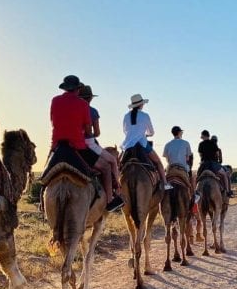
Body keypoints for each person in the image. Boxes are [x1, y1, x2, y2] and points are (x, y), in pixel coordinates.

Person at [50, 75, 124, 212]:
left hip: (58, 146)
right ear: (77, 89)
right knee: (107, 168)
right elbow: (90, 132)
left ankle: (43, 203)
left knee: (46, 176)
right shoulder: (83, 105)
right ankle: (110, 201)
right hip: (78, 147)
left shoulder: (54, 100)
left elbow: (53, 122)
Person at [78, 85, 123, 208]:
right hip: (89, 143)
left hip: (70, 142)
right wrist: (90, 133)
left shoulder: (72, 109)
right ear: (90, 98)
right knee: (112, 162)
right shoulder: (92, 111)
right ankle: (112, 196)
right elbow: (97, 133)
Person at [121, 94, 172, 190]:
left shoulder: (126, 116)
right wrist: (145, 134)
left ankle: (116, 186)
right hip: (142, 143)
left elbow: (125, 131)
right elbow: (151, 132)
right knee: (158, 163)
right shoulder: (145, 116)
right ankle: (165, 184)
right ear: (141, 105)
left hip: (128, 144)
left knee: (119, 164)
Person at [163, 126, 198, 200]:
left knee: (162, 182)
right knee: (193, 177)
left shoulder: (167, 144)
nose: (181, 133)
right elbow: (188, 158)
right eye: (181, 132)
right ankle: (194, 195)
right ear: (179, 133)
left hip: (171, 168)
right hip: (183, 167)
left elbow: (167, 159)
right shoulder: (186, 143)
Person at [197, 129, 232, 197]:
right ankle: (227, 191)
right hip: (213, 164)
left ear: (203, 136)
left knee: (197, 178)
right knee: (225, 175)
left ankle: (195, 193)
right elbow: (217, 154)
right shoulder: (213, 143)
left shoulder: (201, 144)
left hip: (204, 165)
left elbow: (200, 155)